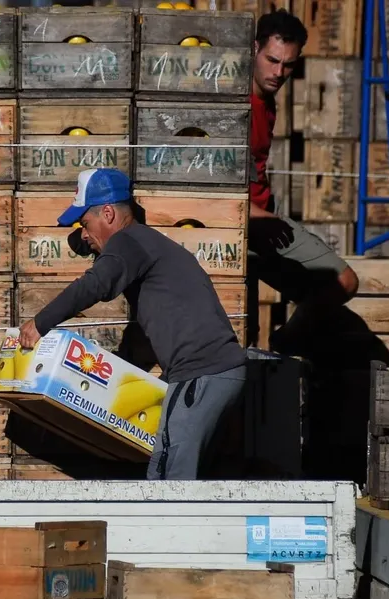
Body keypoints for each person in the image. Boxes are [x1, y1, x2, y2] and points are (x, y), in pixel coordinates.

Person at [17, 168, 247, 481]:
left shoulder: (128, 241)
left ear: (108, 213)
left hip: (201, 373)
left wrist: (40, 323)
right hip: (203, 374)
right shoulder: (145, 243)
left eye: (85, 223)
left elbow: (95, 284)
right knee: (166, 470)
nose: (83, 234)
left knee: (171, 480)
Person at [247, 9, 360, 352]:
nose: (278, 73)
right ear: (255, 48)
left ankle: (284, 346)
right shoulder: (236, 104)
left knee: (342, 282)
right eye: (272, 60)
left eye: (288, 65)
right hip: (243, 223)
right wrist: (256, 215)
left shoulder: (267, 101)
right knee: (242, 335)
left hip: (266, 221)